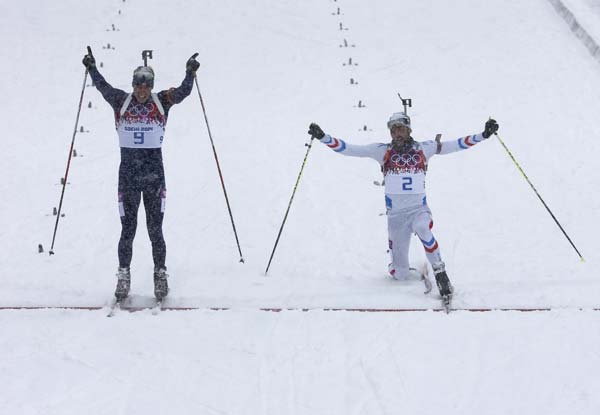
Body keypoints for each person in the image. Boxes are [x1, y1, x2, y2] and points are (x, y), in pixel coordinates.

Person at [307, 114, 499, 300]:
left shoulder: (424, 148)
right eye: (393, 130)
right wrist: (323, 137)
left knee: (424, 229)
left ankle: (440, 273)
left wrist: (483, 135)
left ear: (408, 130)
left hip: (418, 210)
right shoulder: (381, 150)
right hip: (396, 217)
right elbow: (348, 149)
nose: (397, 133)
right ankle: (398, 266)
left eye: (400, 128)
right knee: (400, 275)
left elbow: (454, 145)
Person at [82, 49, 200, 301]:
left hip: (154, 175)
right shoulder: (122, 101)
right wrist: (91, 67)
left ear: (152, 86)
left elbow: (183, 92)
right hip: (128, 176)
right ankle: (123, 275)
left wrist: (190, 72)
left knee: (155, 228)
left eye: (146, 86)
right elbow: (102, 87)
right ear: (133, 85)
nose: (142, 90)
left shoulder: (162, 101)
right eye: (138, 85)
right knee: (128, 228)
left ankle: (160, 274)